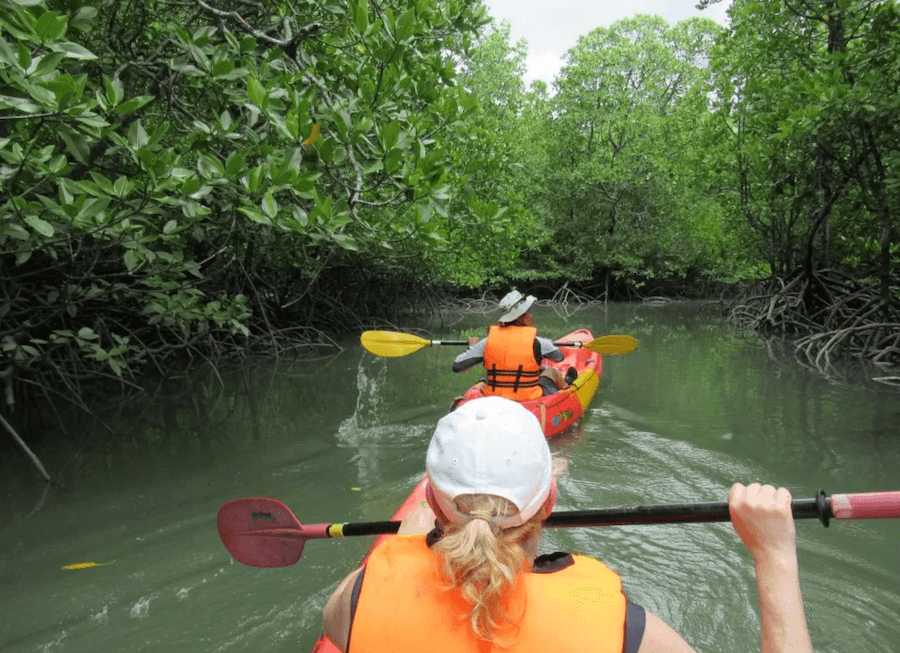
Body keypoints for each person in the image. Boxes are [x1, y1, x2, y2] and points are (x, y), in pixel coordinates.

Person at [324, 396, 815, 653]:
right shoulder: (623, 627)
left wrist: (412, 537)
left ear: (432, 498)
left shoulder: (353, 599)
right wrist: (773, 555)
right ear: (550, 499)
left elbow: (415, 563)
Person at [452, 290, 567, 401]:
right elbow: (559, 357)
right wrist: (549, 345)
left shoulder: (487, 341)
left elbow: (457, 366)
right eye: (528, 313)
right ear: (521, 317)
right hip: (528, 397)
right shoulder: (539, 342)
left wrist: (473, 346)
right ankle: (568, 392)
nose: (531, 316)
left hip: (495, 396)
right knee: (551, 372)